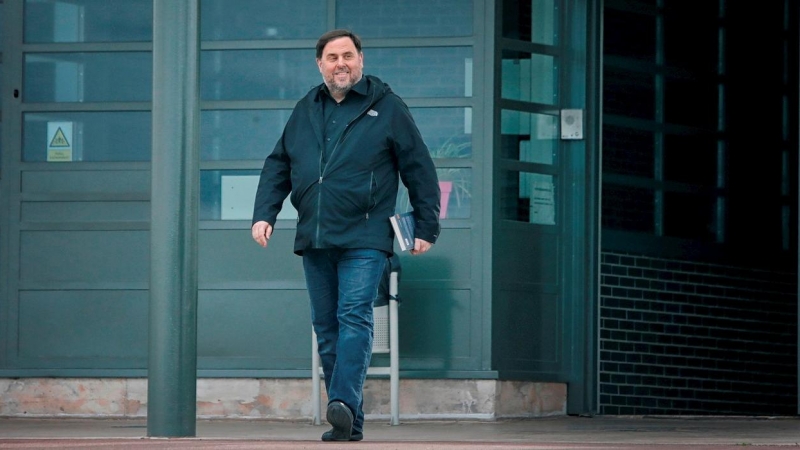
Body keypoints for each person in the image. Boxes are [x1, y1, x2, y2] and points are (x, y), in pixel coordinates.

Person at [251, 29, 440, 442]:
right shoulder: (306, 108)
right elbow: (278, 164)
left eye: (348, 56)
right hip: (315, 236)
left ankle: (339, 400)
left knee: (354, 315)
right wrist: (265, 213)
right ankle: (348, 420)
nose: (341, 63)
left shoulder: (387, 107)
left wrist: (426, 225)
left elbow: (418, 166)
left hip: (366, 235)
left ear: (361, 59)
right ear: (319, 65)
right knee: (326, 326)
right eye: (332, 57)